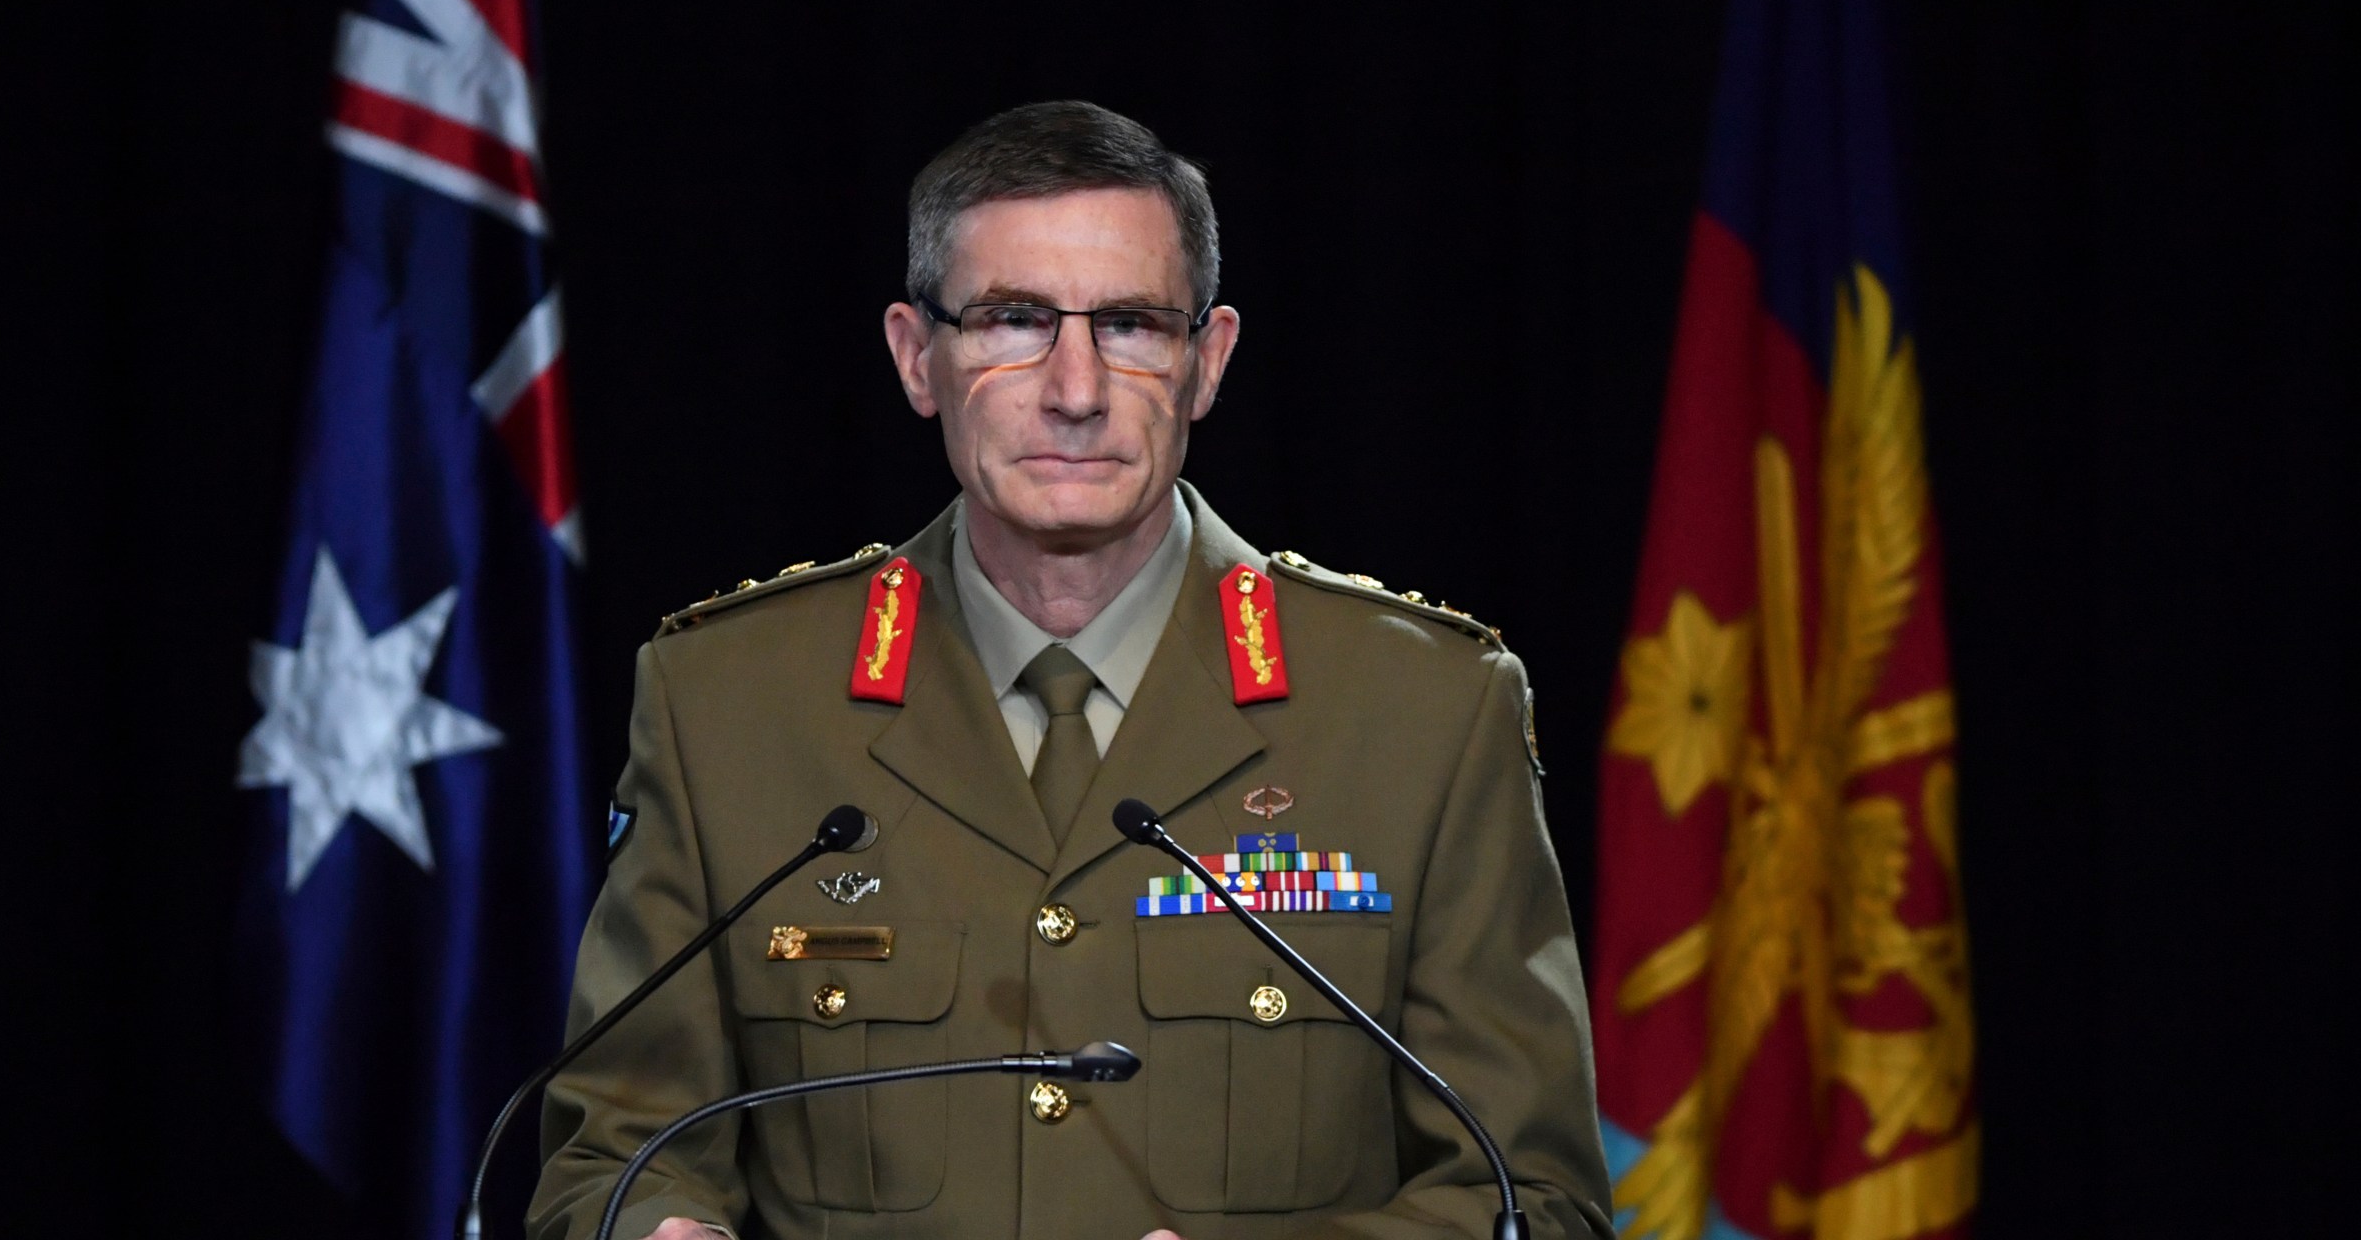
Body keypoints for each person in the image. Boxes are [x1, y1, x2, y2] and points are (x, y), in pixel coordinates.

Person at [529, 101, 1615, 1240]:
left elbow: (1533, 1201)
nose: (1076, 389)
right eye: (1011, 321)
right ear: (916, 356)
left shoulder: (1424, 712)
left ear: (1207, 361)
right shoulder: (730, 705)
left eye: (1135, 326)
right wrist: (655, 1227)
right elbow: (612, 1151)